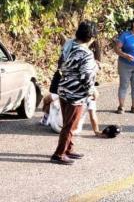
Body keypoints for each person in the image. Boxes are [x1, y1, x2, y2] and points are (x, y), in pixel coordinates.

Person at [51, 21, 99, 165]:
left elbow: (60, 63)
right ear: (92, 38)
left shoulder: (68, 44)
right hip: (76, 93)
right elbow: (86, 77)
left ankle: (68, 149)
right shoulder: (86, 54)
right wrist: (92, 90)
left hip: (64, 87)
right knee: (70, 125)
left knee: (67, 122)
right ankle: (59, 154)